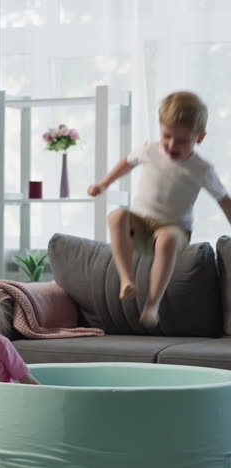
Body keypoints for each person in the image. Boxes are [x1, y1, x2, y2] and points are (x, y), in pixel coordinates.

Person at [88, 91, 231, 327]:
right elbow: (127, 162)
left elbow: (224, 200)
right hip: (141, 225)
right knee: (116, 216)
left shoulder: (201, 169)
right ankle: (127, 280)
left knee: (166, 239)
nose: (172, 145)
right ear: (160, 128)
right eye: (167, 136)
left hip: (175, 230)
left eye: (182, 141)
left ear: (200, 137)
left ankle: (152, 305)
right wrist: (104, 183)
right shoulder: (150, 149)